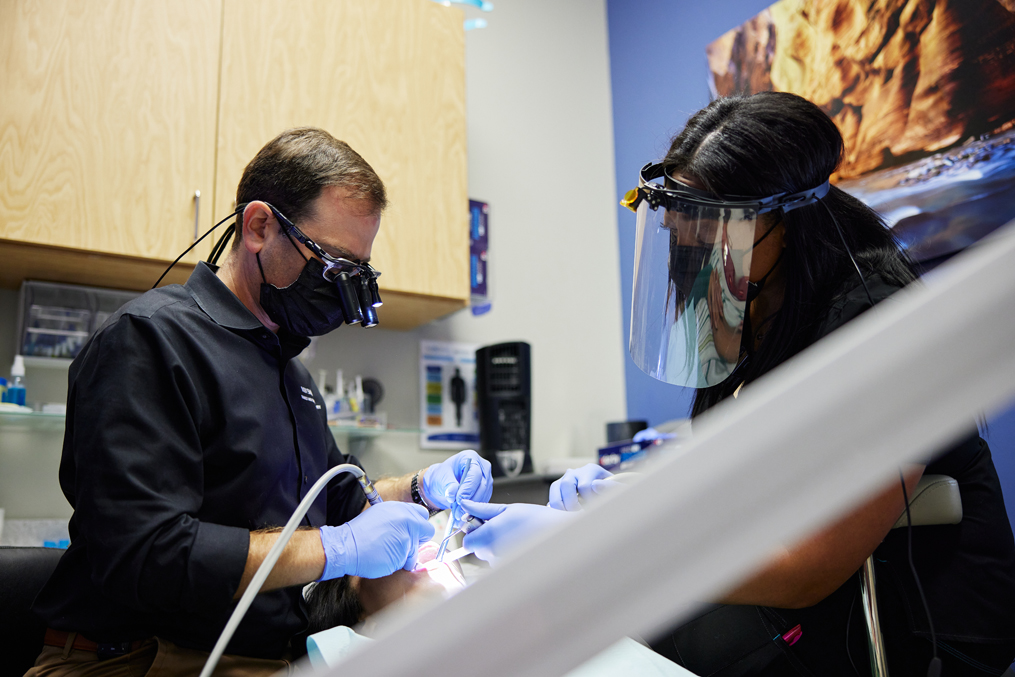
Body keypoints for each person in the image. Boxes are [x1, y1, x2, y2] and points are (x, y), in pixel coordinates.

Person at [461, 93, 1015, 676]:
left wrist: (601, 553)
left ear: (785, 218)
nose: (692, 257)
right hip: (823, 596)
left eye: (707, 234)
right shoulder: (751, 306)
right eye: (679, 235)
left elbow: (810, 564)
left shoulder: (881, 323)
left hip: (921, 619)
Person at [27, 127, 492, 676]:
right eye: (331, 265)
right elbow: (146, 556)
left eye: (357, 273)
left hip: (262, 656)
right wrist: (335, 549)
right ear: (259, 227)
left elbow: (338, 492)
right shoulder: (149, 341)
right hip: (134, 659)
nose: (342, 292)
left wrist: (420, 487)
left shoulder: (286, 369)